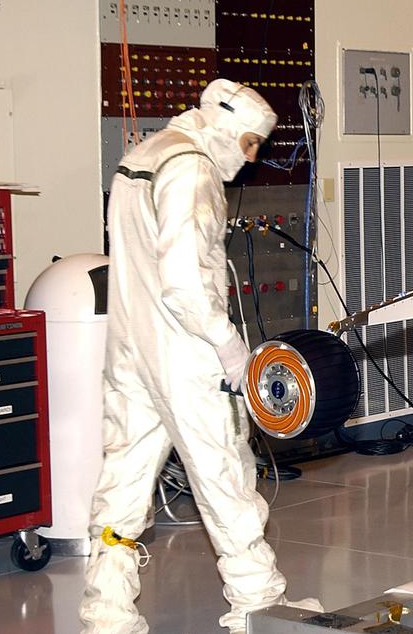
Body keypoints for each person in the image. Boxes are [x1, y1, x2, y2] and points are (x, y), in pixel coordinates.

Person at [80, 79, 320, 634]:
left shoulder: (141, 156)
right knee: (224, 478)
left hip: (130, 349)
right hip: (185, 353)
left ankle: (106, 613)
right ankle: (259, 605)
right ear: (226, 129)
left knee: (123, 481)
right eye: (251, 144)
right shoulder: (192, 170)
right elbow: (186, 284)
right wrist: (229, 346)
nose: (252, 157)